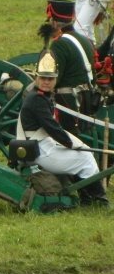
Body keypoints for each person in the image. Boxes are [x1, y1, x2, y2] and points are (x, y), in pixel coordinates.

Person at [19, 49, 110, 208]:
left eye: (50, 79)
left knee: (85, 155)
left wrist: (76, 145)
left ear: (55, 80)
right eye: (43, 78)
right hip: (39, 150)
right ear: (36, 78)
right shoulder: (37, 100)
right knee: (86, 160)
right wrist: (71, 144)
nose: (46, 82)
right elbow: (52, 128)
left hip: (45, 145)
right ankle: (100, 203)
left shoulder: (42, 96)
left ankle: (88, 200)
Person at [40, 0, 97, 135]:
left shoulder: (59, 43)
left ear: (54, 23)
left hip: (68, 102)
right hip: (87, 98)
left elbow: (53, 79)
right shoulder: (84, 39)